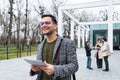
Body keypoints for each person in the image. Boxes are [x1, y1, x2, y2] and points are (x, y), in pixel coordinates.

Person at [29, 14, 79, 80]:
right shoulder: (40, 45)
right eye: (42, 23)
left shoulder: (68, 43)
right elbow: (41, 67)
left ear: (55, 26)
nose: (44, 25)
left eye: (47, 23)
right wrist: (34, 69)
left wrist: (55, 70)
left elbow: (74, 66)